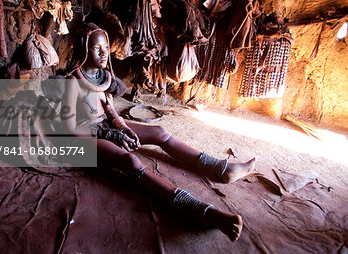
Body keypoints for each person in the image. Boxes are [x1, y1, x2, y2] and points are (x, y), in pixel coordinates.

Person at [61, 23, 255, 242]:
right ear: (84, 50)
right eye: (97, 49)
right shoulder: (72, 81)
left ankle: (221, 168)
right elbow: (71, 127)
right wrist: (112, 136)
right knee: (129, 161)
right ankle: (201, 211)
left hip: (107, 126)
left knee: (160, 132)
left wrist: (124, 129)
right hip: (85, 137)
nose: (105, 53)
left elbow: (110, 111)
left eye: (106, 48)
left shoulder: (103, 78)